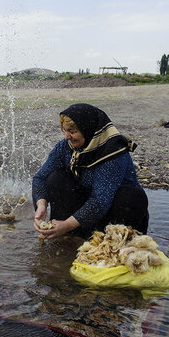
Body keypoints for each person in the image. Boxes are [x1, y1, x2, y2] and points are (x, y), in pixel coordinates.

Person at [32, 103, 148, 241]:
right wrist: (41, 205)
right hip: (85, 214)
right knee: (56, 179)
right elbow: (40, 178)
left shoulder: (113, 153)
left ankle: (112, 241)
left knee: (132, 196)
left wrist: (67, 224)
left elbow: (100, 201)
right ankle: (69, 236)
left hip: (115, 211)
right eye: (65, 131)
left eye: (72, 131)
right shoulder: (65, 147)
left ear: (88, 130)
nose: (67, 137)